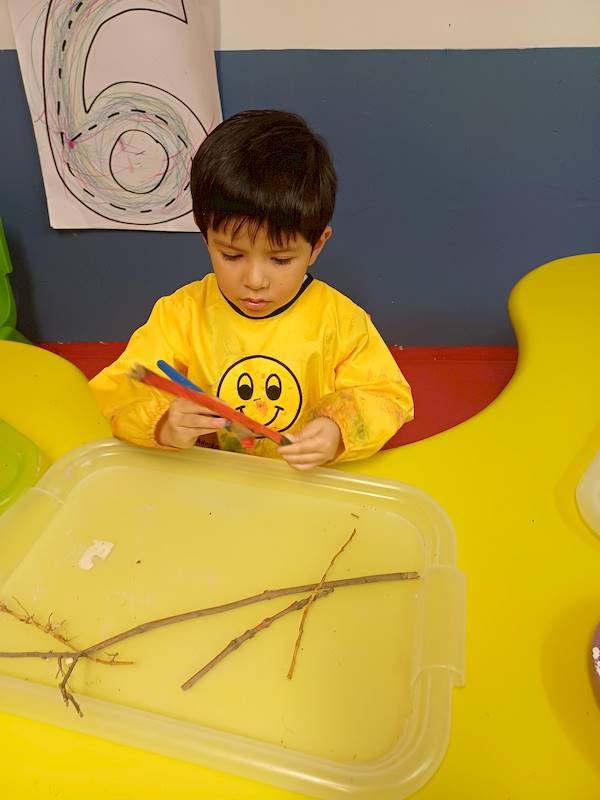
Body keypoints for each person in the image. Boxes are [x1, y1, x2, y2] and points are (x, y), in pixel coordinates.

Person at [90, 110, 413, 470]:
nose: (255, 280)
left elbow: (387, 395)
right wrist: (164, 424)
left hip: (301, 486)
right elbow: (116, 392)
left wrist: (338, 430)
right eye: (232, 255)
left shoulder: (340, 321)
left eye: (280, 259)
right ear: (205, 235)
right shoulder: (182, 315)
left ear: (317, 245)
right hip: (209, 484)